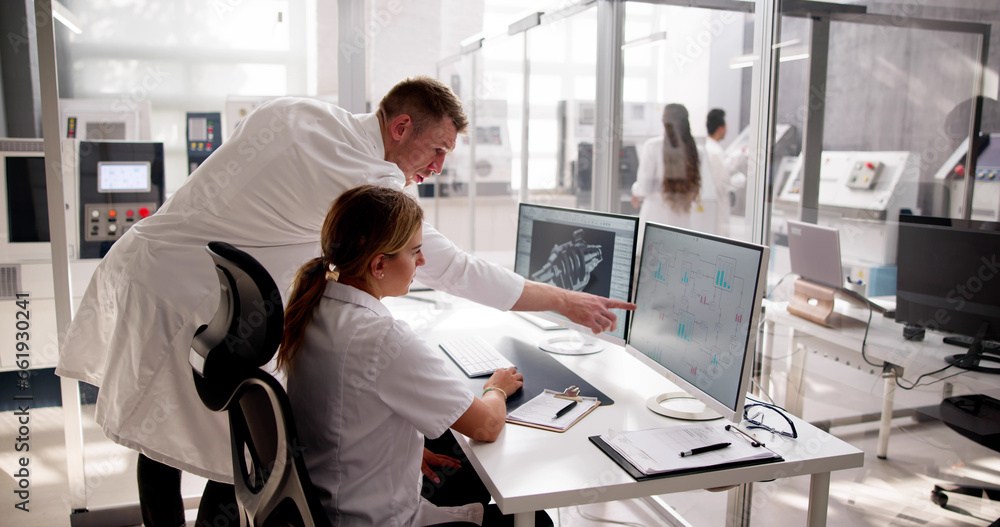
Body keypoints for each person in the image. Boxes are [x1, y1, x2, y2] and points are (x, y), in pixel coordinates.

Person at [55, 76, 632, 526]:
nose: (436, 170)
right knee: (172, 436)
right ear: (401, 126)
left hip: (157, 261)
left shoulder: (300, 111)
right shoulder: (368, 184)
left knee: (171, 437)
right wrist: (562, 300)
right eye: (436, 151)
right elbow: (454, 268)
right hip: (180, 288)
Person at [279, 185, 532, 525]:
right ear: (379, 265)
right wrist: (496, 388)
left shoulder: (314, 305)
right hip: (376, 518)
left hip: (329, 498)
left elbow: (336, 411)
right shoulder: (383, 338)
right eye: (415, 252)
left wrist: (400, 453)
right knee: (534, 518)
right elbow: (486, 425)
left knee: (458, 461)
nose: (422, 261)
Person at [631, 103, 717, 237]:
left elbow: (644, 187)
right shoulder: (696, 151)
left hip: (654, 222)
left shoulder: (653, 147)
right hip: (682, 224)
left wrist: (635, 190)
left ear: (664, 121)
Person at [704, 108, 746, 237]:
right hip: (717, 208)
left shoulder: (708, 147)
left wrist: (738, 155)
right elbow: (722, 183)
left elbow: (722, 169)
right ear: (721, 128)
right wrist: (739, 181)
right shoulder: (715, 152)